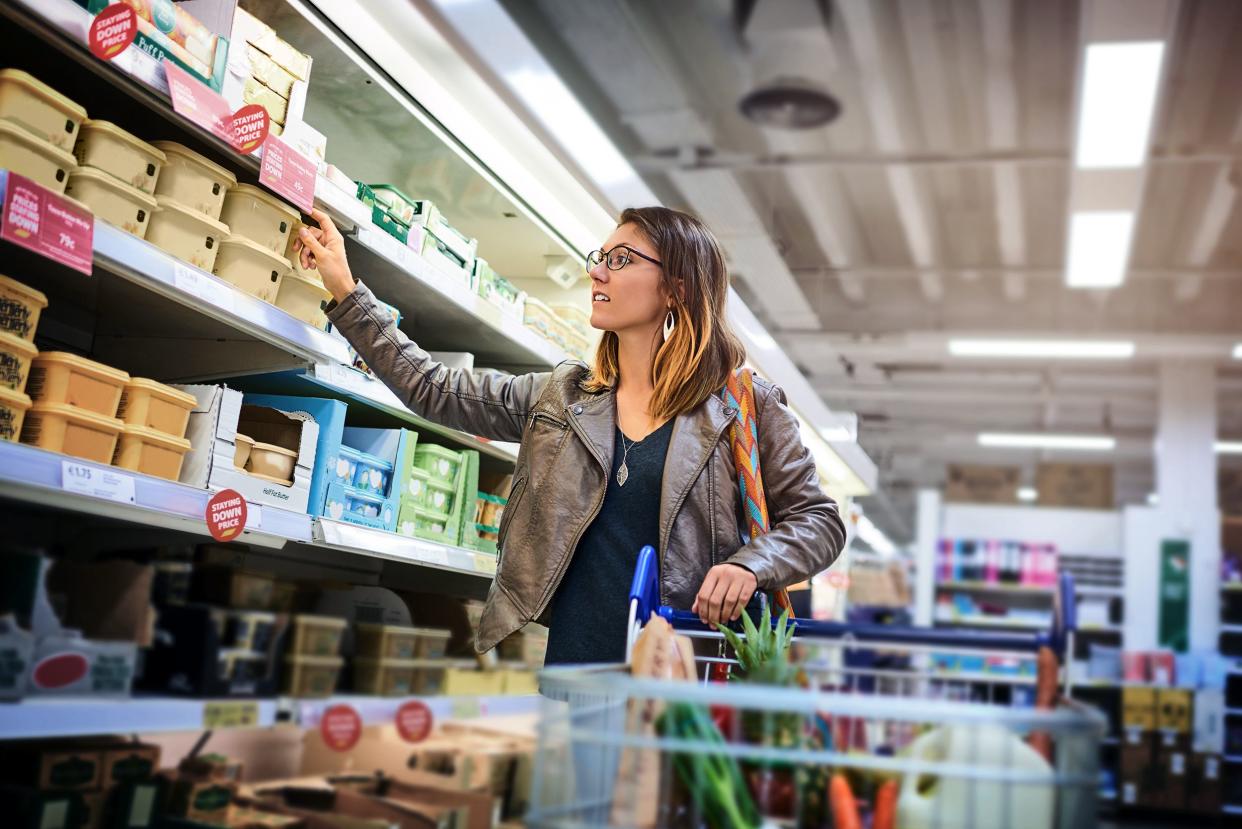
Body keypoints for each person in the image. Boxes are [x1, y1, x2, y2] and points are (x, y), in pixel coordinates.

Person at [297, 205, 846, 664]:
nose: (598, 273)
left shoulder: (744, 408)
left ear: (677, 287)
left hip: (688, 678)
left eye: (621, 260)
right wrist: (345, 288)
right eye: (599, 258)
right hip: (575, 668)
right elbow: (432, 388)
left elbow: (820, 522)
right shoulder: (561, 398)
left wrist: (750, 564)